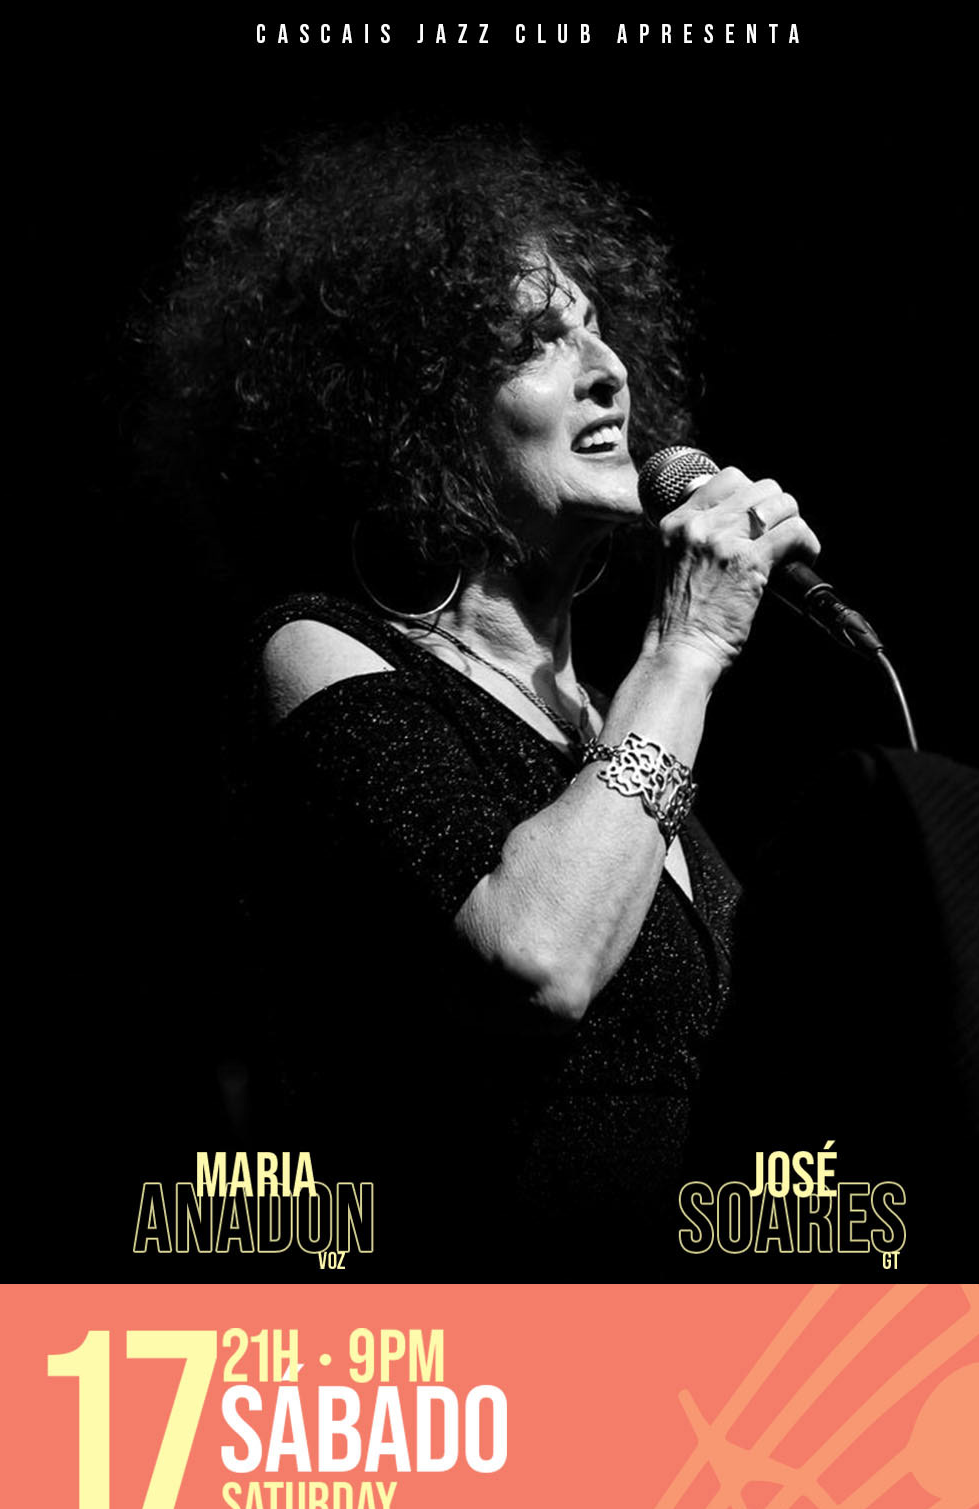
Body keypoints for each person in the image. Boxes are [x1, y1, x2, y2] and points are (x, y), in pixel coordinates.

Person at [144, 123, 821, 1258]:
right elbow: (538, 956)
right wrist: (689, 645)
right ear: (412, 414)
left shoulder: (605, 726)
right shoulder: (319, 654)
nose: (607, 370)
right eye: (537, 342)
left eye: (597, 327)